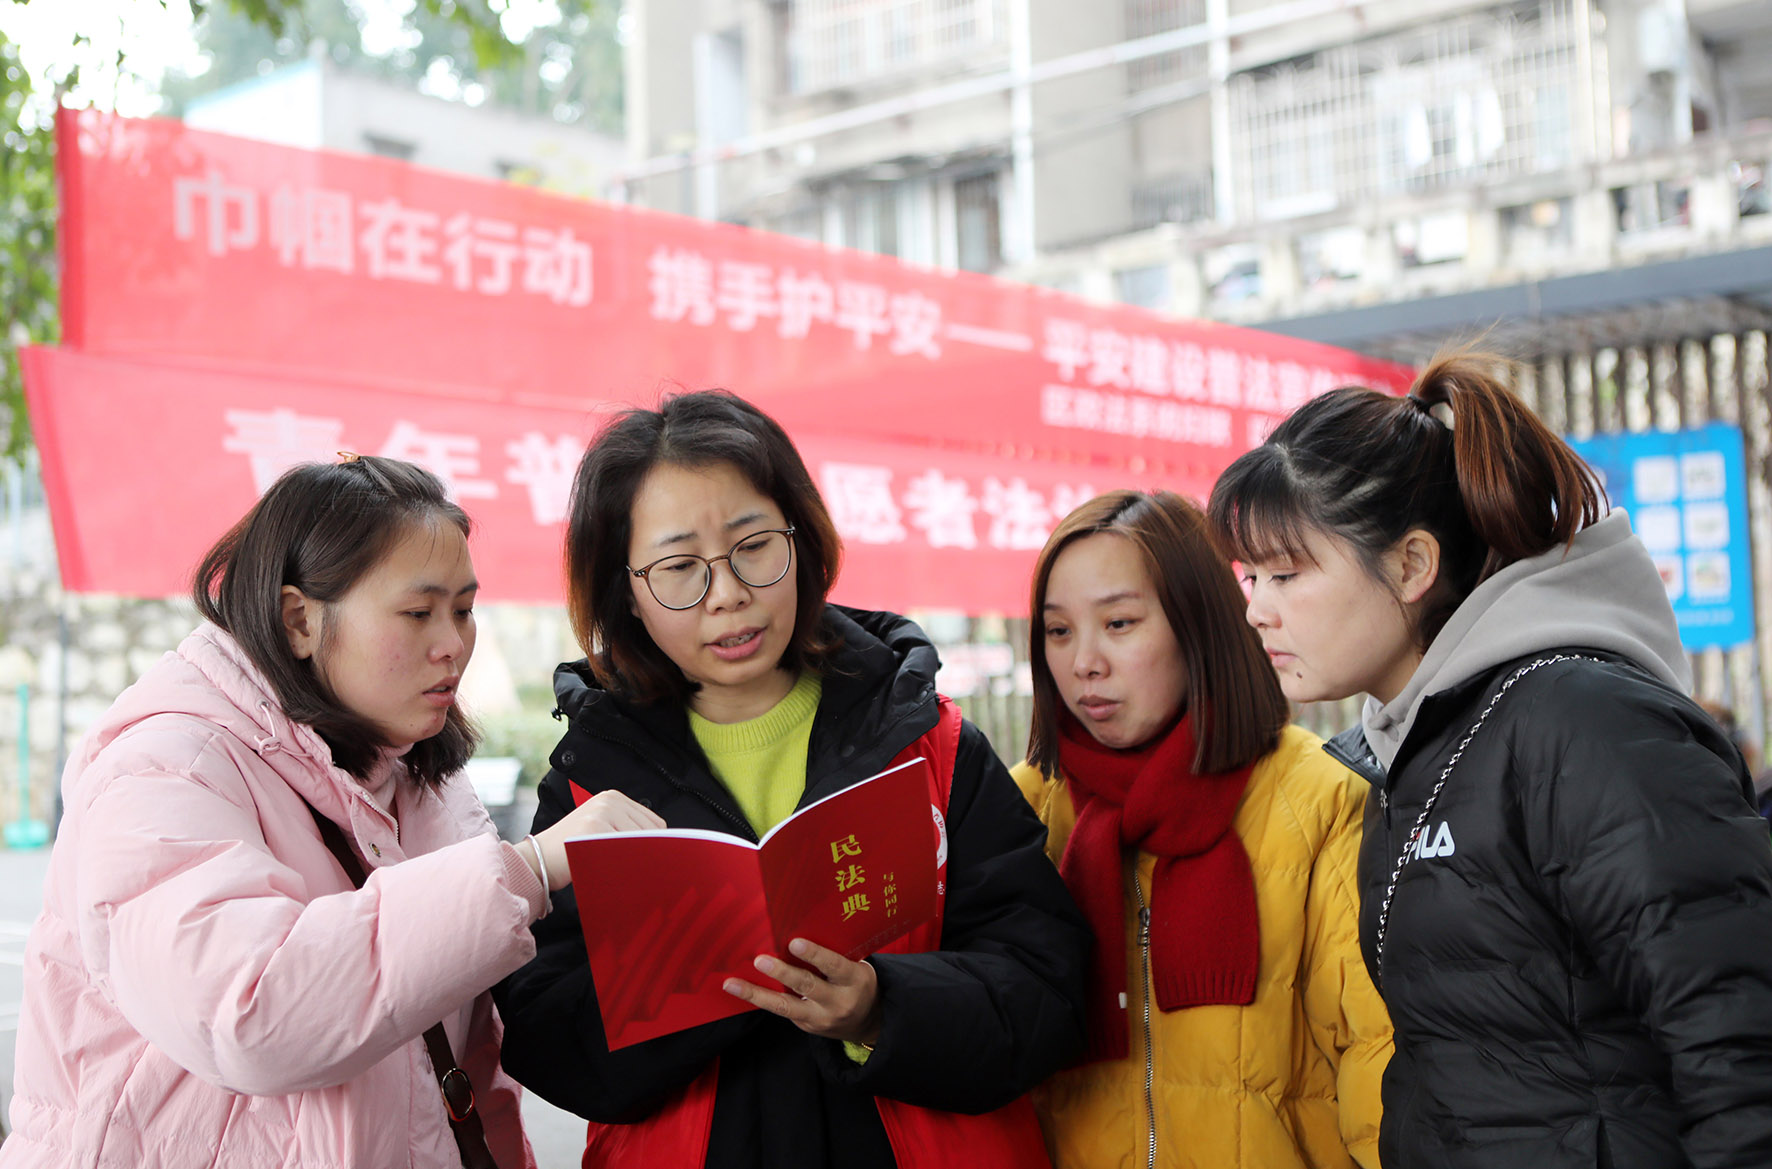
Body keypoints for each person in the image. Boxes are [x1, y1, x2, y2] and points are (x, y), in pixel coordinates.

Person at [0, 456, 662, 1169]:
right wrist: (524, 869)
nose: (452, 644)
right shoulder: (163, 769)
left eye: (464, 609)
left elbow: (466, 1078)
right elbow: (251, 1012)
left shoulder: (422, 778)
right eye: (418, 612)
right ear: (300, 621)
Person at [493, 390, 1091, 1169]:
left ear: (800, 541)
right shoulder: (587, 790)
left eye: (753, 546)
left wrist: (881, 1007)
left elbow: (1047, 988)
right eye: (680, 567)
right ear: (626, 592)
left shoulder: (931, 747)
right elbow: (541, 1034)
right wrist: (704, 980)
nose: (728, 593)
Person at [1208, 351, 1772, 1169]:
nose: (1256, 609)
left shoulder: (1581, 719)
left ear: (1411, 564)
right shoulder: (1413, 749)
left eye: (1286, 574)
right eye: (1249, 575)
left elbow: (1739, 1042)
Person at [1011, 490, 1391, 1169]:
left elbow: (1377, 1061)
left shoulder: (1320, 800)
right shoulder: (1023, 811)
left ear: (1199, 623)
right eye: (1058, 631)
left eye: (1119, 623)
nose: (1084, 661)